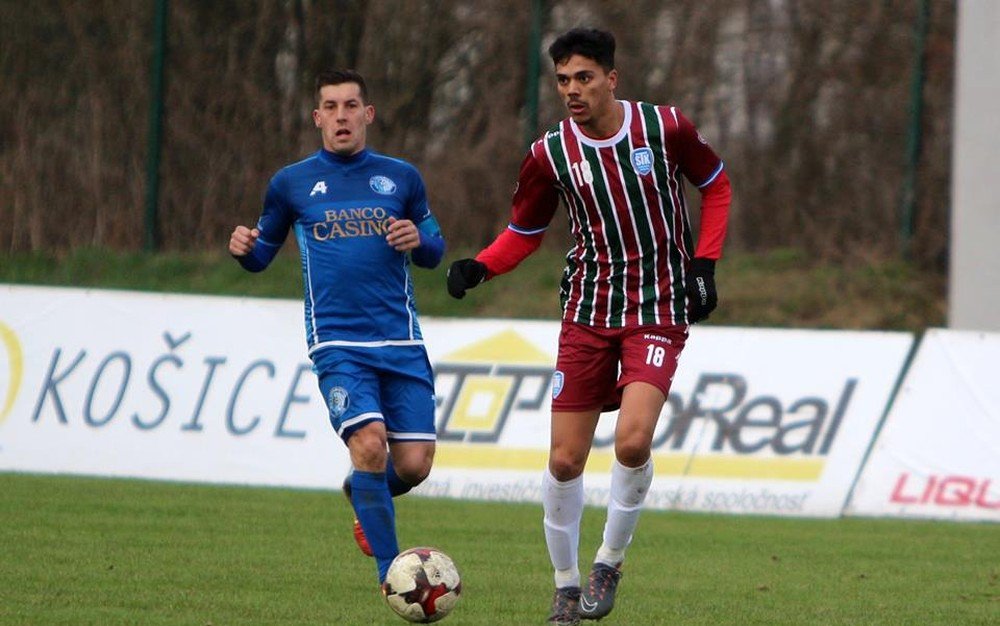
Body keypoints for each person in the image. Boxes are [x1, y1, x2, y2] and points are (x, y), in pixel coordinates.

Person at [447, 28, 731, 625]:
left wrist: (704, 262)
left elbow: (715, 184)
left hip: (657, 306)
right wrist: (481, 267)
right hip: (586, 311)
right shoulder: (550, 153)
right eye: (562, 80)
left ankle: (609, 562)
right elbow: (526, 230)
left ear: (611, 79)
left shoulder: (665, 128)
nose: (572, 91)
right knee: (565, 461)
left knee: (632, 440)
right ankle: (566, 587)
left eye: (584, 78)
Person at [229, 69, 445, 588]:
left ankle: (361, 491)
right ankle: (394, 576)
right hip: (338, 343)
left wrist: (418, 237)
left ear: (367, 114)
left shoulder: (402, 178)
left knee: (414, 465)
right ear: (318, 117)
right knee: (369, 444)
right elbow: (261, 255)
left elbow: (435, 252)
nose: (342, 116)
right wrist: (243, 248)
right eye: (332, 106)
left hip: (401, 340)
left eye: (352, 106)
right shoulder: (291, 183)